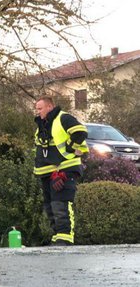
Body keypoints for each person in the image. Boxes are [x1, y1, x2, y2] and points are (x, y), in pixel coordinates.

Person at [34, 96, 88, 246]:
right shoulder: (43, 124)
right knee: (50, 206)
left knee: (61, 204)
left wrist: (71, 147)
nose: (37, 112)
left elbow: (80, 132)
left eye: (40, 108)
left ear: (49, 107)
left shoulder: (63, 118)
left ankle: (65, 237)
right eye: (37, 109)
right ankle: (57, 236)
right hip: (48, 172)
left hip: (65, 169)